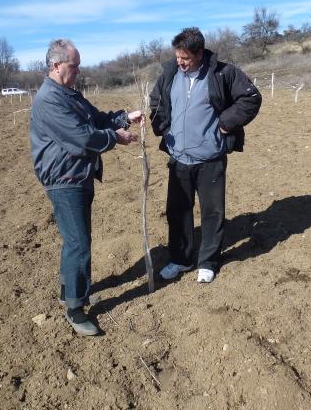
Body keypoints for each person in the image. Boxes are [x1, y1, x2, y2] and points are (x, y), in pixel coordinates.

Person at [30, 39, 143, 336]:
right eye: (74, 66)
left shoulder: (69, 93)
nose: (78, 71)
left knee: (76, 240)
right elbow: (82, 138)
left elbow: (95, 119)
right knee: (79, 243)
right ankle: (75, 308)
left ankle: (69, 291)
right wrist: (115, 138)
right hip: (64, 179)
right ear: (56, 66)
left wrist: (123, 118)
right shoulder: (49, 99)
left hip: (77, 175)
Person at [149, 27, 262, 283]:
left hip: (210, 158)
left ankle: (208, 261)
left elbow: (251, 98)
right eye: (178, 56)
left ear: (200, 53)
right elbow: (156, 102)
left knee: (212, 212)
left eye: (186, 58)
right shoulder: (169, 75)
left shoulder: (223, 73)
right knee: (178, 212)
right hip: (178, 158)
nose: (180, 62)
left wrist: (226, 124)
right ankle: (180, 258)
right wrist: (163, 127)